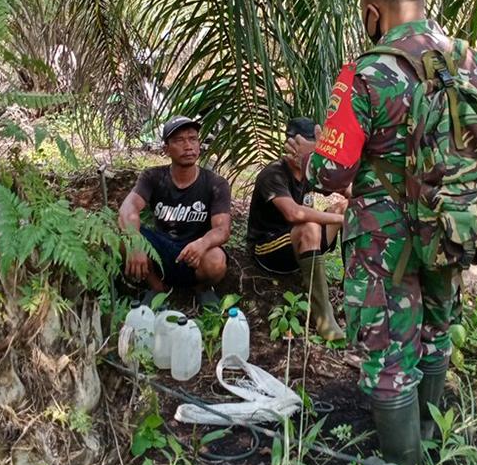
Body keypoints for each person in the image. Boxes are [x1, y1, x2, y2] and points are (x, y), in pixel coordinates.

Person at [288, 0, 477, 465]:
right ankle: (432, 445)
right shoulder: (473, 62)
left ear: (373, 11)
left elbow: (330, 177)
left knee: (390, 353)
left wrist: (313, 155)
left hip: (383, 241)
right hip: (450, 226)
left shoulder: (365, 73)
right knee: (436, 332)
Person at [246, 117, 346, 341]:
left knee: (346, 207)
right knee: (310, 224)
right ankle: (324, 317)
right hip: (269, 248)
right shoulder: (273, 174)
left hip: (302, 242)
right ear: (290, 145)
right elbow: (293, 213)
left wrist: (339, 179)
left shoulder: (312, 171)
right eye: (305, 145)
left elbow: (348, 190)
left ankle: (352, 287)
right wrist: (339, 220)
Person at [118, 116, 231, 308]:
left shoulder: (215, 183)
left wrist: (203, 243)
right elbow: (128, 208)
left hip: (195, 252)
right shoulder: (152, 177)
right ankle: (157, 289)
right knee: (123, 239)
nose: (188, 146)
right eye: (179, 140)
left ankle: (202, 289)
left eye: (193, 139)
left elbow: (222, 230)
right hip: (161, 249)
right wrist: (135, 242)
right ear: (166, 149)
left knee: (217, 260)